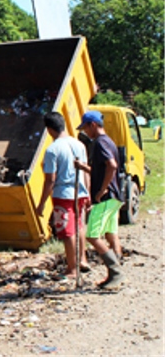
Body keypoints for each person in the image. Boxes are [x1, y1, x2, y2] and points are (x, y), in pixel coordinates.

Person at [36, 112, 90, 278]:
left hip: (63, 195)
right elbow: (86, 171)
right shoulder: (79, 144)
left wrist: (42, 203)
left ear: (49, 129)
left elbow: (50, 180)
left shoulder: (52, 150)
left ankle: (72, 269)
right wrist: (87, 192)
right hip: (80, 192)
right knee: (79, 225)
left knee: (67, 232)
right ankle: (83, 260)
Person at [75, 110, 124, 288]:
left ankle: (116, 272)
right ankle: (115, 270)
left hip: (106, 197)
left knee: (92, 235)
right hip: (115, 196)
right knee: (110, 232)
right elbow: (102, 169)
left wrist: (101, 190)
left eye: (86, 128)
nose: (85, 132)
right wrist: (84, 167)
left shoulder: (100, 143)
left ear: (93, 125)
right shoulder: (109, 141)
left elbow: (112, 166)